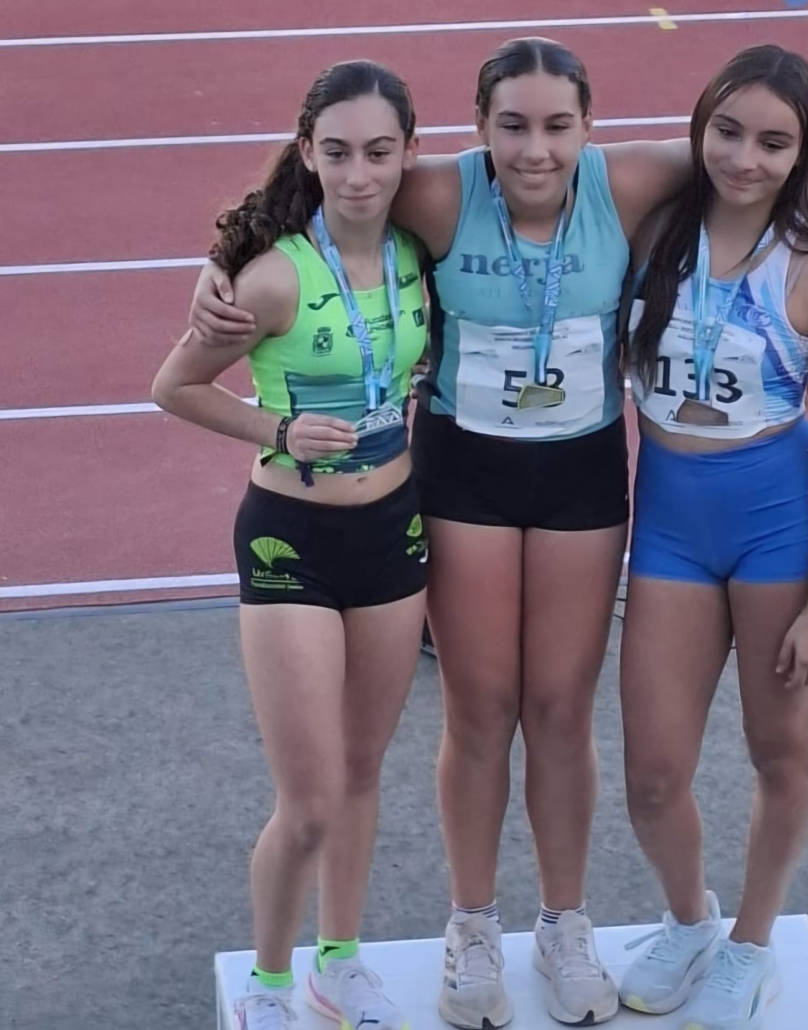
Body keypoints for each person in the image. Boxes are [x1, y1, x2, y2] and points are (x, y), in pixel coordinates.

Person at [186, 37, 808, 1028]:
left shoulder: (624, 181)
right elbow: (333, 185)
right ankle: (472, 925)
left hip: (579, 479)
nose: (535, 149)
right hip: (463, 475)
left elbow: (755, 157)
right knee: (478, 709)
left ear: (589, 129)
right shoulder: (438, 192)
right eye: (511, 125)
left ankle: (564, 923)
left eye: (558, 126)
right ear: (479, 129)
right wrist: (219, 268)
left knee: (559, 710)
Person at [151, 60, 428, 1030]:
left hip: (393, 533)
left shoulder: (419, 246)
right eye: (338, 152)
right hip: (293, 541)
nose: (359, 175)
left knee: (362, 771)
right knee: (308, 801)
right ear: (307, 151)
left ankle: (337, 963)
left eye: (379, 152)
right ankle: (269, 984)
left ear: (408, 153)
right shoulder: (272, 276)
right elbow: (174, 386)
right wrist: (275, 428)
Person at [616, 44, 808, 1029]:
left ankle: (753, 945)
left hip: (775, 522)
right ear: (700, 128)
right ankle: (690, 919)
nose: (744, 158)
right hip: (669, 522)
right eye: (726, 132)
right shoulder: (652, 223)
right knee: (651, 773)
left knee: (778, 748)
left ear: (803, 153)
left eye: (774, 143)